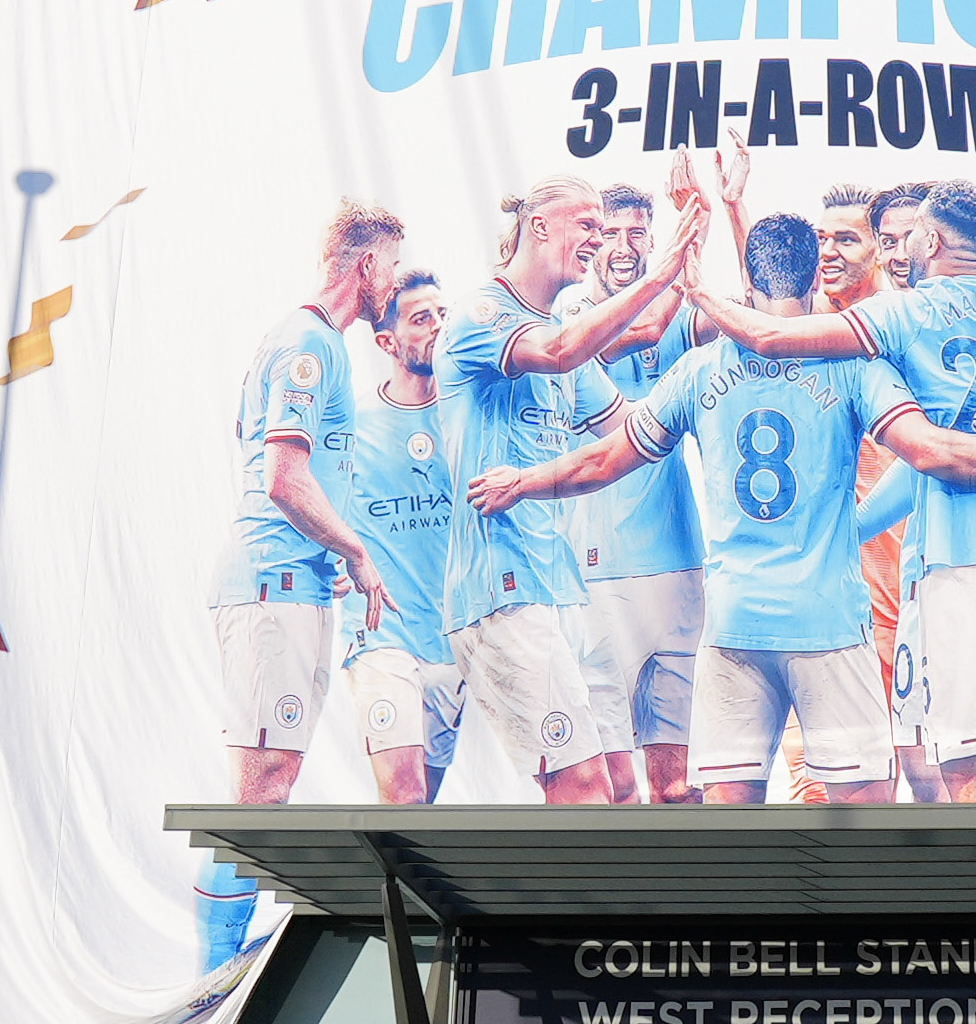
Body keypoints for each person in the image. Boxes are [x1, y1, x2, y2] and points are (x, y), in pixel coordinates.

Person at [489, 200, 976, 803]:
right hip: (830, 622)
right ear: (816, 277)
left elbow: (603, 461)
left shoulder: (696, 371)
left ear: (751, 282)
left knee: (732, 824)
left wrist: (524, 481)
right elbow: (927, 451)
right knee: (864, 812)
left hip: (736, 623)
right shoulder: (853, 368)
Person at [689, 178, 976, 800]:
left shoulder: (910, 311)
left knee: (968, 769)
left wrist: (697, 290)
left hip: (961, 563)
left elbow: (773, 335)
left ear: (931, 238)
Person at [433, 169, 706, 802]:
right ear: (538, 227)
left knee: (613, 783)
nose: (598, 238)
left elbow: (626, 440)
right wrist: (661, 277)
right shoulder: (485, 313)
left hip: (551, 587)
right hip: (498, 590)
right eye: (589, 225)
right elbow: (559, 350)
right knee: (582, 787)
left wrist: (705, 395)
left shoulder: (561, 337)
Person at [212, 205, 401, 808]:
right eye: (393, 268)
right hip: (274, 582)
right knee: (262, 784)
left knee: (275, 779)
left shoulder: (316, 342)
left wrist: (330, 549)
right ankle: (223, 908)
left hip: (295, 584)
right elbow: (282, 480)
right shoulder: (308, 345)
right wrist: (356, 551)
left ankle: (235, 908)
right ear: (367, 265)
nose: (395, 284)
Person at [562, 184, 707, 803]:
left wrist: (713, 216)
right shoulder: (568, 313)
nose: (623, 248)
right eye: (611, 234)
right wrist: (683, 255)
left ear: (652, 238)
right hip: (599, 571)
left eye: (637, 234)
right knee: (614, 781)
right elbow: (640, 331)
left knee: (678, 783)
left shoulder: (674, 310)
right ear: (592, 242)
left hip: (678, 560)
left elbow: (751, 310)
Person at [313, 269, 461, 803]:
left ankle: (397, 891)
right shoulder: (354, 422)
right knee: (401, 793)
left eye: (444, 315)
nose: (439, 328)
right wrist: (324, 561)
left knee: (421, 806)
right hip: (380, 634)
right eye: (422, 319)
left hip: (451, 640)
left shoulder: (467, 416)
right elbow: (314, 501)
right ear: (387, 341)